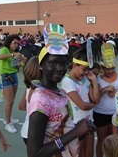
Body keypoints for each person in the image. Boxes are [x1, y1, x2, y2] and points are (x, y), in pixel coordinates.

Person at [27, 23, 96, 157]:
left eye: (63, 63)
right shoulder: (40, 101)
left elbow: (59, 131)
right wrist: (75, 132)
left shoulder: (60, 92)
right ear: (41, 66)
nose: (60, 68)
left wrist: (80, 132)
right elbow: (34, 153)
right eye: (53, 63)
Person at [61, 48, 100, 157]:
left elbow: (95, 98)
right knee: (78, 154)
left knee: (89, 153)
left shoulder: (85, 79)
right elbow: (82, 105)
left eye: (88, 69)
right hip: (75, 125)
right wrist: (93, 105)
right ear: (74, 66)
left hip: (89, 122)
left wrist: (94, 81)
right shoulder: (67, 81)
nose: (86, 72)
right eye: (84, 69)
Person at [93, 43, 118, 157]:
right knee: (102, 140)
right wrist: (105, 89)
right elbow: (94, 97)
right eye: (108, 69)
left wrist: (117, 93)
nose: (110, 71)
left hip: (115, 113)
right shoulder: (97, 79)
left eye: (112, 68)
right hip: (100, 113)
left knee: (115, 140)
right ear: (102, 68)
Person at [0, 34, 26, 133]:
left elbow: (15, 67)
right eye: (14, 43)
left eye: (17, 44)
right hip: (5, 76)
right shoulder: (5, 49)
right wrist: (13, 55)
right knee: (9, 101)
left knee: (12, 100)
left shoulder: (14, 52)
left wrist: (21, 62)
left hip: (13, 75)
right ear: (10, 42)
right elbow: (0, 57)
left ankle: (8, 118)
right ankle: (7, 123)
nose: (16, 45)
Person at [19, 56, 40, 145]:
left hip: (26, 131)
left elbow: (21, 106)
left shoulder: (29, 87)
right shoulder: (40, 91)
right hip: (36, 134)